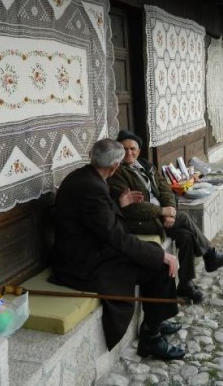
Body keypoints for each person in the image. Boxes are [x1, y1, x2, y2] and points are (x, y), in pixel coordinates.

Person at [51, 138, 186, 360]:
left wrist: (119, 204)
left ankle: (155, 320)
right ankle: (151, 338)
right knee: (160, 266)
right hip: (82, 263)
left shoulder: (85, 176)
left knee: (153, 252)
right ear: (115, 166)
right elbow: (117, 238)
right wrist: (162, 256)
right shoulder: (91, 187)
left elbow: (102, 221)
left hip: (91, 248)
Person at [108, 130, 223, 305]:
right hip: (138, 221)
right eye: (124, 149)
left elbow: (165, 189)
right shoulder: (117, 173)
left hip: (158, 215)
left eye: (132, 149)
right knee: (183, 218)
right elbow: (131, 208)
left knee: (187, 236)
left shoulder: (146, 166)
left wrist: (170, 210)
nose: (129, 153)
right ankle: (210, 255)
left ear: (139, 151)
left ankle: (185, 284)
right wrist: (163, 212)